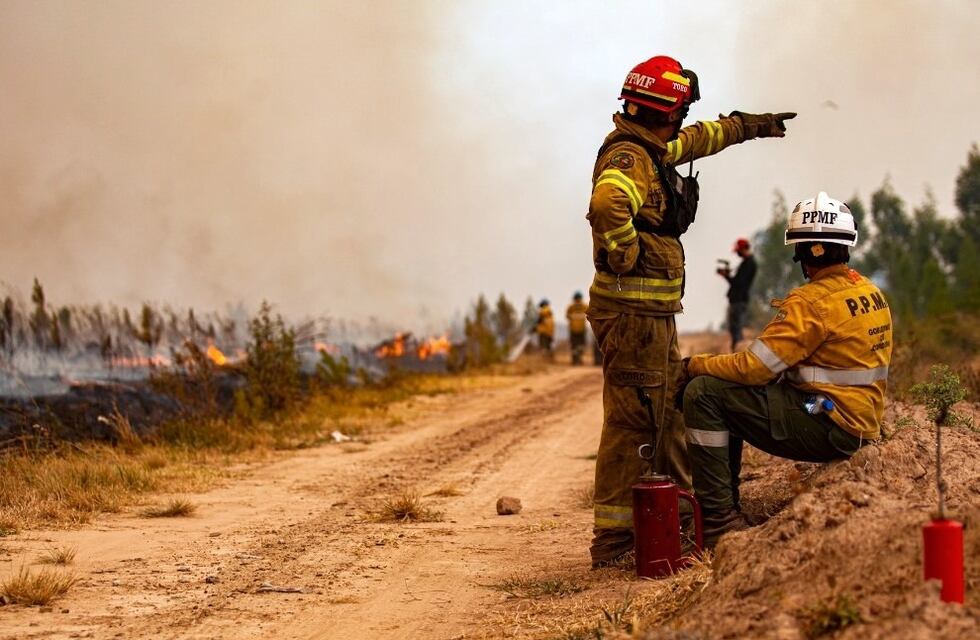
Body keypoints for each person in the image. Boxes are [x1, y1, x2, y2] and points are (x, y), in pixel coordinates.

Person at [586, 53, 796, 566]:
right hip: (634, 316)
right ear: (666, 109)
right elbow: (608, 204)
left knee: (659, 415)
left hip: (649, 316)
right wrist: (626, 252)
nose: (682, 120)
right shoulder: (630, 159)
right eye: (680, 110)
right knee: (636, 422)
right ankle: (618, 540)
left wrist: (748, 127)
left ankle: (660, 521)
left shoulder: (654, 147)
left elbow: (700, 138)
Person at [681, 192, 892, 548]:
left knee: (704, 393)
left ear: (807, 253)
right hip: (857, 418)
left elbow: (753, 368)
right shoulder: (870, 292)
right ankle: (724, 509)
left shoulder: (811, 302)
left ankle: (718, 524)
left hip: (825, 416)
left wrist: (693, 365)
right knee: (727, 392)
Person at [717, 237, 758, 351]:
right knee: (734, 329)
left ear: (743, 249)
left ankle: (738, 354)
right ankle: (736, 353)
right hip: (737, 300)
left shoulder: (749, 263)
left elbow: (738, 283)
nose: (737, 253)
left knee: (736, 329)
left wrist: (726, 276)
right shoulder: (746, 263)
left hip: (739, 301)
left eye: (738, 251)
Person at [566, 292, 589, 365]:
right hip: (582, 330)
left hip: (573, 330)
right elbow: (590, 314)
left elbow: (567, 316)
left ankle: (575, 361)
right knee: (581, 345)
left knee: (574, 346)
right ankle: (579, 359)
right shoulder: (585, 306)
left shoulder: (570, 307)